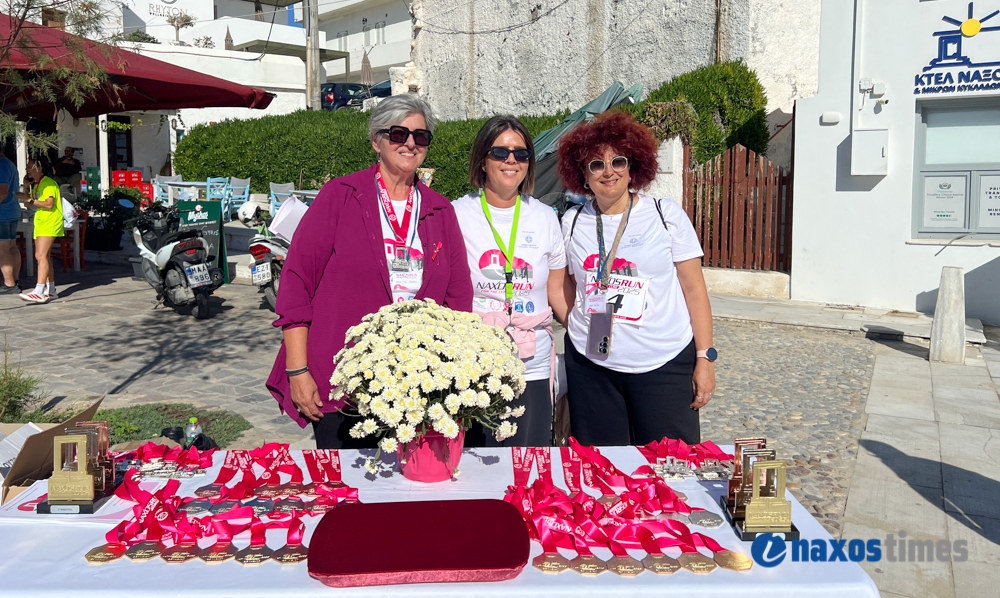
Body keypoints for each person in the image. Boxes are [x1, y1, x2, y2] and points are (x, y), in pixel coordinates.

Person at [265, 94, 473, 449]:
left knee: (405, 496)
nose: (410, 143)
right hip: (340, 378)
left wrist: (450, 376)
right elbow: (297, 283)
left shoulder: (439, 210)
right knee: (347, 491)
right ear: (376, 140)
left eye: (420, 136)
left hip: (414, 386)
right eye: (398, 134)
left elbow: (458, 299)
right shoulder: (341, 196)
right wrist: (298, 371)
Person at [557, 111, 716, 446]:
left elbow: (694, 290)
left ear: (633, 167)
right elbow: (564, 284)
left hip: (663, 364)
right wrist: (577, 323)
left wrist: (705, 358)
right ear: (583, 176)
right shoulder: (571, 222)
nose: (609, 171)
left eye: (618, 160)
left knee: (671, 470)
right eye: (596, 164)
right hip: (592, 369)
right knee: (602, 472)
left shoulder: (665, 213)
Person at [453, 115, 570, 447]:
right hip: (476, 364)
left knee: (529, 461)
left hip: (531, 362)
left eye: (521, 154)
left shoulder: (546, 217)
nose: (511, 161)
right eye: (500, 152)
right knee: (479, 465)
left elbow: (557, 292)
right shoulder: (458, 214)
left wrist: (587, 331)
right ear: (482, 160)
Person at [18, 158, 62, 304]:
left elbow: (49, 204)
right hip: (42, 222)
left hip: (49, 222)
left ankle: (39, 290)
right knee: (45, 257)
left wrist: (30, 200)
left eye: (30, 167)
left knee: (40, 255)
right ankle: (51, 290)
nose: (28, 170)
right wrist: (26, 189)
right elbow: (29, 205)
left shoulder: (48, 183)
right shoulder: (38, 185)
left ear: (40, 168)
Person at [0, 149, 20, 294]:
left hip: (3, 213)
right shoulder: (10, 164)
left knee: (3, 249)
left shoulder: (1, 166)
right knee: (12, 247)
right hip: (13, 210)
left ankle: (9, 284)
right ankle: (15, 280)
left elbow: (2, 192)